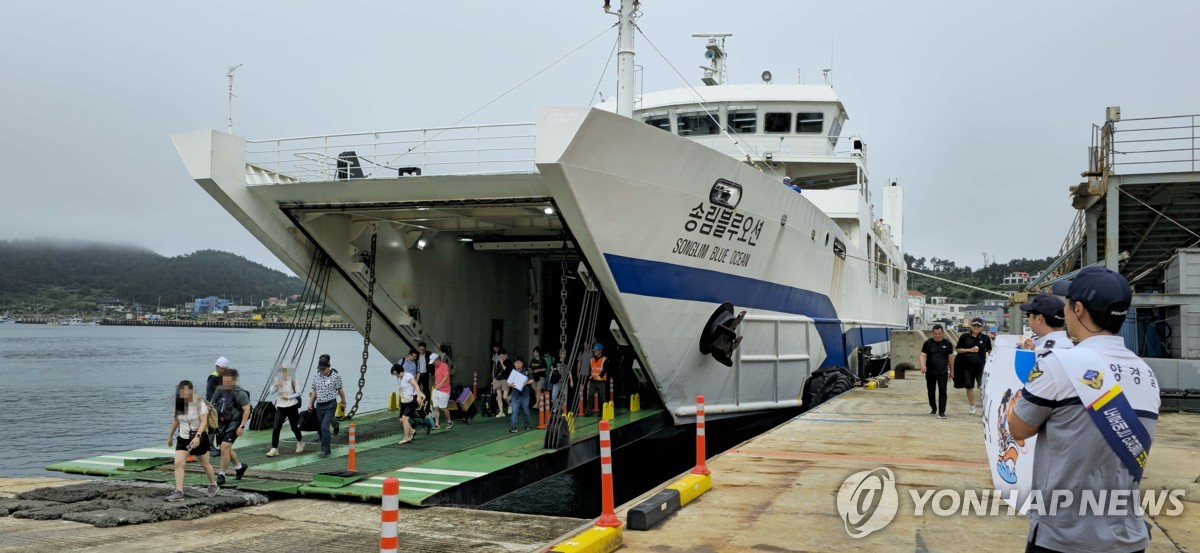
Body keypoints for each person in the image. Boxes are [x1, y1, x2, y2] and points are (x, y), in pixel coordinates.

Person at [1008, 266, 1159, 553]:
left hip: (1063, 537)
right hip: (1127, 536)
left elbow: (1018, 428)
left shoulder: (1059, 364)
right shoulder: (1146, 373)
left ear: (1077, 309)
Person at [165, 380, 219, 501]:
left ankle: (213, 484)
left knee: (204, 464)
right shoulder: (178, 404)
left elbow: (204, 421)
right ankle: (179, 491)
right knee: (178, 463)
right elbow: (176, 421)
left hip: (198, 436)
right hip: (183, 437)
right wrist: (170, 436)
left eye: (187, 390)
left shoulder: (199, 402)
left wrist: (198, 436)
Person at [212, 369, 252, 485]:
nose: (226, 384)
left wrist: (242, 426)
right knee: (226, 448)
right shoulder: (219, 392)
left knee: (224, 447)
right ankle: (239, 467)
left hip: (235, 423)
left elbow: (247, 410)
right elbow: (212, 406)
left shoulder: (240, 393)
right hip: (221, 423)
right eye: (224, 381)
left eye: (228, 381)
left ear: (234, 380)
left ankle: (221, 475)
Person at [954, 317, 992, 415]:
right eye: (974, 325)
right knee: (969, 387)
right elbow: (958, 350)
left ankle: (984, 407)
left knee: (982, 386)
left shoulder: (985, 338)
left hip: (981, 366)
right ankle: (972, 406)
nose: (976, 327)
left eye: (978, 326)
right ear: (970, 326)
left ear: (982, 328)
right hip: (967, 366)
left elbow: (990, 351)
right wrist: (969, 350)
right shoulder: (964, 337)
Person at [308, 356, 346, 457]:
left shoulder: (335, 376)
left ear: (328, 367)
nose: (321, 371)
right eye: (320, 369)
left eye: (323, 369)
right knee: (321, 427)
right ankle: (334, 428)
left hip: (330, 404)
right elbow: (314, 391)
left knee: (325, 427)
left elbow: (340, 391)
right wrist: (311, 403)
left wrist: (343, 402)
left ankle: (326, 449)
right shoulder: (316, 376)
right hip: (319, 405)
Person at [266, 365, 304, 457]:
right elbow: (270, 392)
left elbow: (299, 393)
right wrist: (275, 385)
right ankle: (274, 448)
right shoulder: (278, 381)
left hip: (292, 407)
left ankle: (300, 442)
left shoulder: (293, 381)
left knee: (294, 427)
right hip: (280, 407)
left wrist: (288, 397)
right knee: (276, 428)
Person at [919, 325, 954, 419]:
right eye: (935, 334)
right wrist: (923, 366)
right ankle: (933, 408)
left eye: (939, 333)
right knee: (931, 391)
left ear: (943, 333)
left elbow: (950, 357)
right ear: (932, 333)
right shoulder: (928, 343)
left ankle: (942, 412)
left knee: (943, 390)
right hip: (930, 372)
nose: (937, 335)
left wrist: (952, 370)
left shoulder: (947, 343)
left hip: (942, 372)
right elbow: (922, 355)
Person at [391, 361, 426, 444]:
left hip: (412, 399)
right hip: (404, 400)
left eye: (396, 373)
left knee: (405, 419)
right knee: (401, 419)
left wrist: (418, 397)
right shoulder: (399, 377)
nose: (395, 375)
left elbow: (416, 385)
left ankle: (406, 437)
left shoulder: (408, 376)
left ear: (400, 371)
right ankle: (412, 431)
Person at [205, 356, 230, 458]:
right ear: (217, 367)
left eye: (225, 368)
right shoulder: (213, 377)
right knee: (212, 426)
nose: (223, 370)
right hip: (214, 405)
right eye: (222, 368)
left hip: (222, 404)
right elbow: (209, 392)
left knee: (220, 425)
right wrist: (210, 405)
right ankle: (210, 447)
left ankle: (219, 446)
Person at [508, 357, 533, 432]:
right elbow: (508, 382)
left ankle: (527, 423)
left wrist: (526, 382)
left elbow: (532, 380)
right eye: (516, 363)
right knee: (514, 410)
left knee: (525, 409)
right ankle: (513, 426)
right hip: (515, 395)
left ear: (522, 363)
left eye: (519, 363)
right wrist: (510, 385)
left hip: (524, 394)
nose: (517, 365)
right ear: (514, 364)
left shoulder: (526, 371)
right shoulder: (513, 372)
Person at [430, 353, 453, 430]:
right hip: (436, 389)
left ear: (437, 360)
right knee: (435, 407)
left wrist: (440, 384)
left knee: (443, 408)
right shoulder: (436, 367)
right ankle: (437, 424)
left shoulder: (444, 366)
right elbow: (437, 377)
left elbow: (446, 377)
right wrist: (436, 386)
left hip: (444, 390)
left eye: (434, 362)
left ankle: (449, 420)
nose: (433, 364)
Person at [586, 342, 610, 415]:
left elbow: (605, 369)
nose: (594, 352)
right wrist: (589, 378)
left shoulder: (604, 359)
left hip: (601, 381)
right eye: (594, 351)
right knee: (590, 395)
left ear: (600, 351)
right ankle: (590, 410)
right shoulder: (591, 359)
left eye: (596, 351)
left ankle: (603, 411)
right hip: (593, 381)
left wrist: (600, 376)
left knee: (602, 397)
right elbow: (590, 370)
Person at [492, 349, 511, 418]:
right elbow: (496, 372)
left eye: (502, 356)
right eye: (500, 356)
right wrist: (493, 380)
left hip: (505, 380)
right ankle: (501, 412)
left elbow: (507, 371)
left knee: (505, 396)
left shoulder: (508, 361)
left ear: (505, 355)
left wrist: (502, 363)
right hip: (497, 380)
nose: (501, 357)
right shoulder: (498, 362)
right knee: (499, 397)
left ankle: (509, 405)